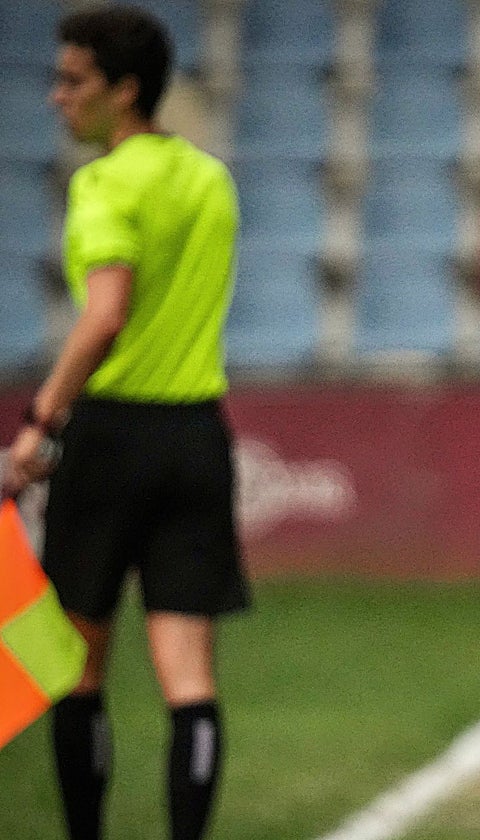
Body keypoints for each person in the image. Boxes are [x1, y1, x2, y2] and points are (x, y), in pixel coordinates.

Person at [1, 7, 249, 840]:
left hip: (109, 439)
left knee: (79, 669)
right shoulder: (211, 178)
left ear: (125, 90)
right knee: (189, 677)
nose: (56, 98)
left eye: (74, 81)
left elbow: (104, 314)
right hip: (196, 438)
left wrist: (40, 419)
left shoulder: (104, 183)